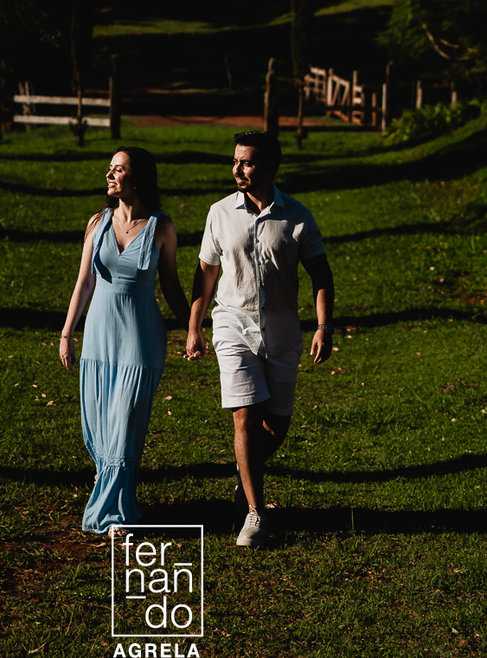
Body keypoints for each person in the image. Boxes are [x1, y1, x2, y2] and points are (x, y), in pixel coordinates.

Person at [185, 130, 334, 548]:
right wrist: (195, 327)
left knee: (277, 423)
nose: (237, 169)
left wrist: (324, 326)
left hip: (284, 330)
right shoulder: (219, 213)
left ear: (269, 167)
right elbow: (205, 275)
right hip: (233, 323)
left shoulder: (298, 216)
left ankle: (245, 472)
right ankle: (255, 513)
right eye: (235, 161)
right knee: (245, 416)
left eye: (247, 162)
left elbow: (321, 276)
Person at [59, 146, 192, 533]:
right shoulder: (98, 222)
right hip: (99, 337)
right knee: (100, 427)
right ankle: (120, 501)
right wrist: (68, 333)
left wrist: (193, 328)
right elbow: (84, 282)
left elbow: (171, 285)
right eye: (110, 169)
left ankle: (113, 513)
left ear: (139, 179)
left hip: (140, 339)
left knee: (126, 423)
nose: (110, 175)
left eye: (119, 170)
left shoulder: (161, 227)